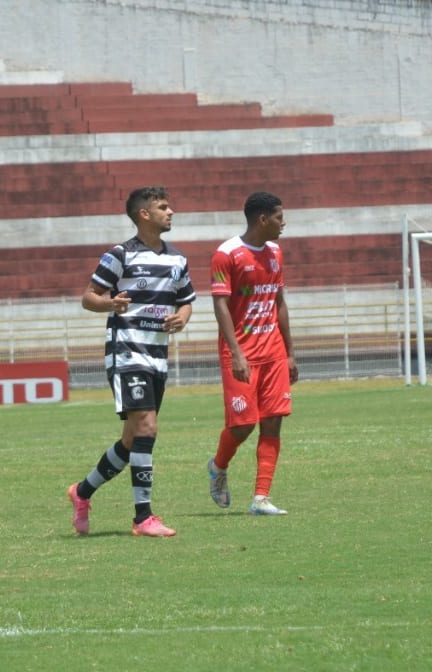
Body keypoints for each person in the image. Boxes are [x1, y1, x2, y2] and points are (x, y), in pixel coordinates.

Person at [68, 186, 195, 537]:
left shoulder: (177, 260)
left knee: (130, 441)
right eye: (163, 207)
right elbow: (88, 297)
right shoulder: (120, 255)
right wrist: (111, 304)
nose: (171, 212)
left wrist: (182, 317)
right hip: (126, 352)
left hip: (157, 355)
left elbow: (185, 300)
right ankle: (143, 518)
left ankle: (82, 492)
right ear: (144, 214)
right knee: (148, 427)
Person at [207, 191, 298, 515]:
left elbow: (279, 302)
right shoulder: (227, 254)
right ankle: (218, 467)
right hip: (242, 352)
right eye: (279, 217)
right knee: (243, 425)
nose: (283, 223)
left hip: (273, 351)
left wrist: (289, 352)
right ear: (263, 219)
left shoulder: (275, 252)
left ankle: (261, 498)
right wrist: (236, 353)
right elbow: (220, 304)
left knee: (273, 422)